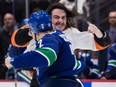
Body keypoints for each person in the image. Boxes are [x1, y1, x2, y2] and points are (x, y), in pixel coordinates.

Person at [5, 10, 85, 87]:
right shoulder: (59, 35)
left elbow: (47, 56)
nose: (31, 35)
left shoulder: (48, 39)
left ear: (35, 31)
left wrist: (14, 61)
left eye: (31, 32)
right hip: (73, 82)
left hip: (57, 83)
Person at [0, 13, 19, 79]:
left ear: (14, 20)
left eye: (9, 19)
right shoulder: (1, 33)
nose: (7, 21)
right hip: (4, 66)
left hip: (19, 63)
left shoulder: (20, 32)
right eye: (5, 20)